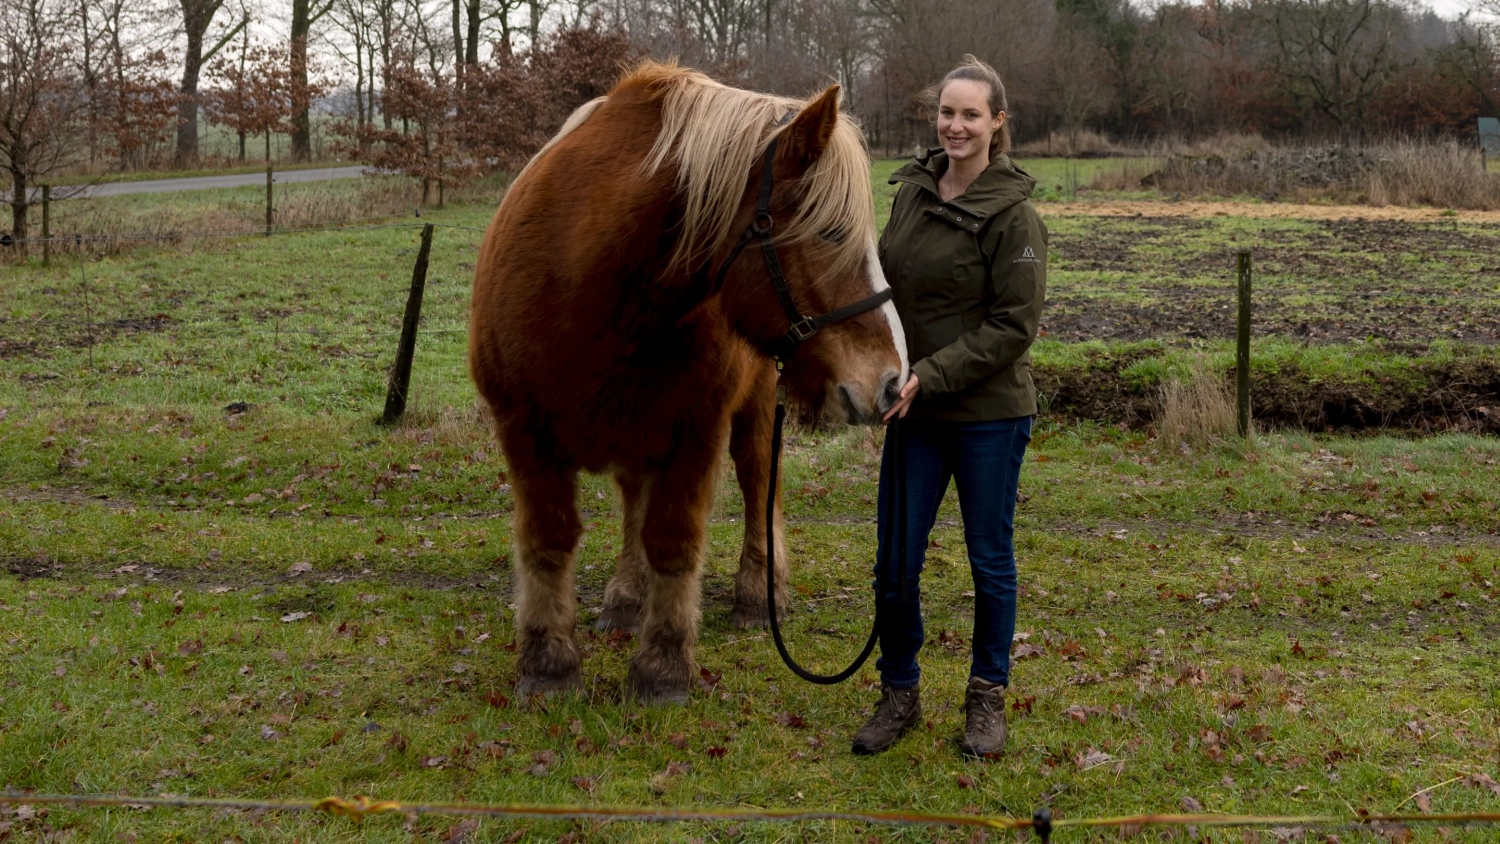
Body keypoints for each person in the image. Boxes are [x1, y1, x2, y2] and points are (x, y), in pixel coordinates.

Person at [851, 55, 1047, 759]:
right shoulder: (911, 192)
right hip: (916, 413)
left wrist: (930, 373)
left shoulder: (1014, 215)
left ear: (997, 122)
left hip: (988, 415)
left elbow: (1012, 327)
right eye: (946, 111)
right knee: (895, 564)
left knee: (988, 560)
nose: (954, 125)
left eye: (970, 113)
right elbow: (881, 283)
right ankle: (898, 692)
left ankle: (986, 698)